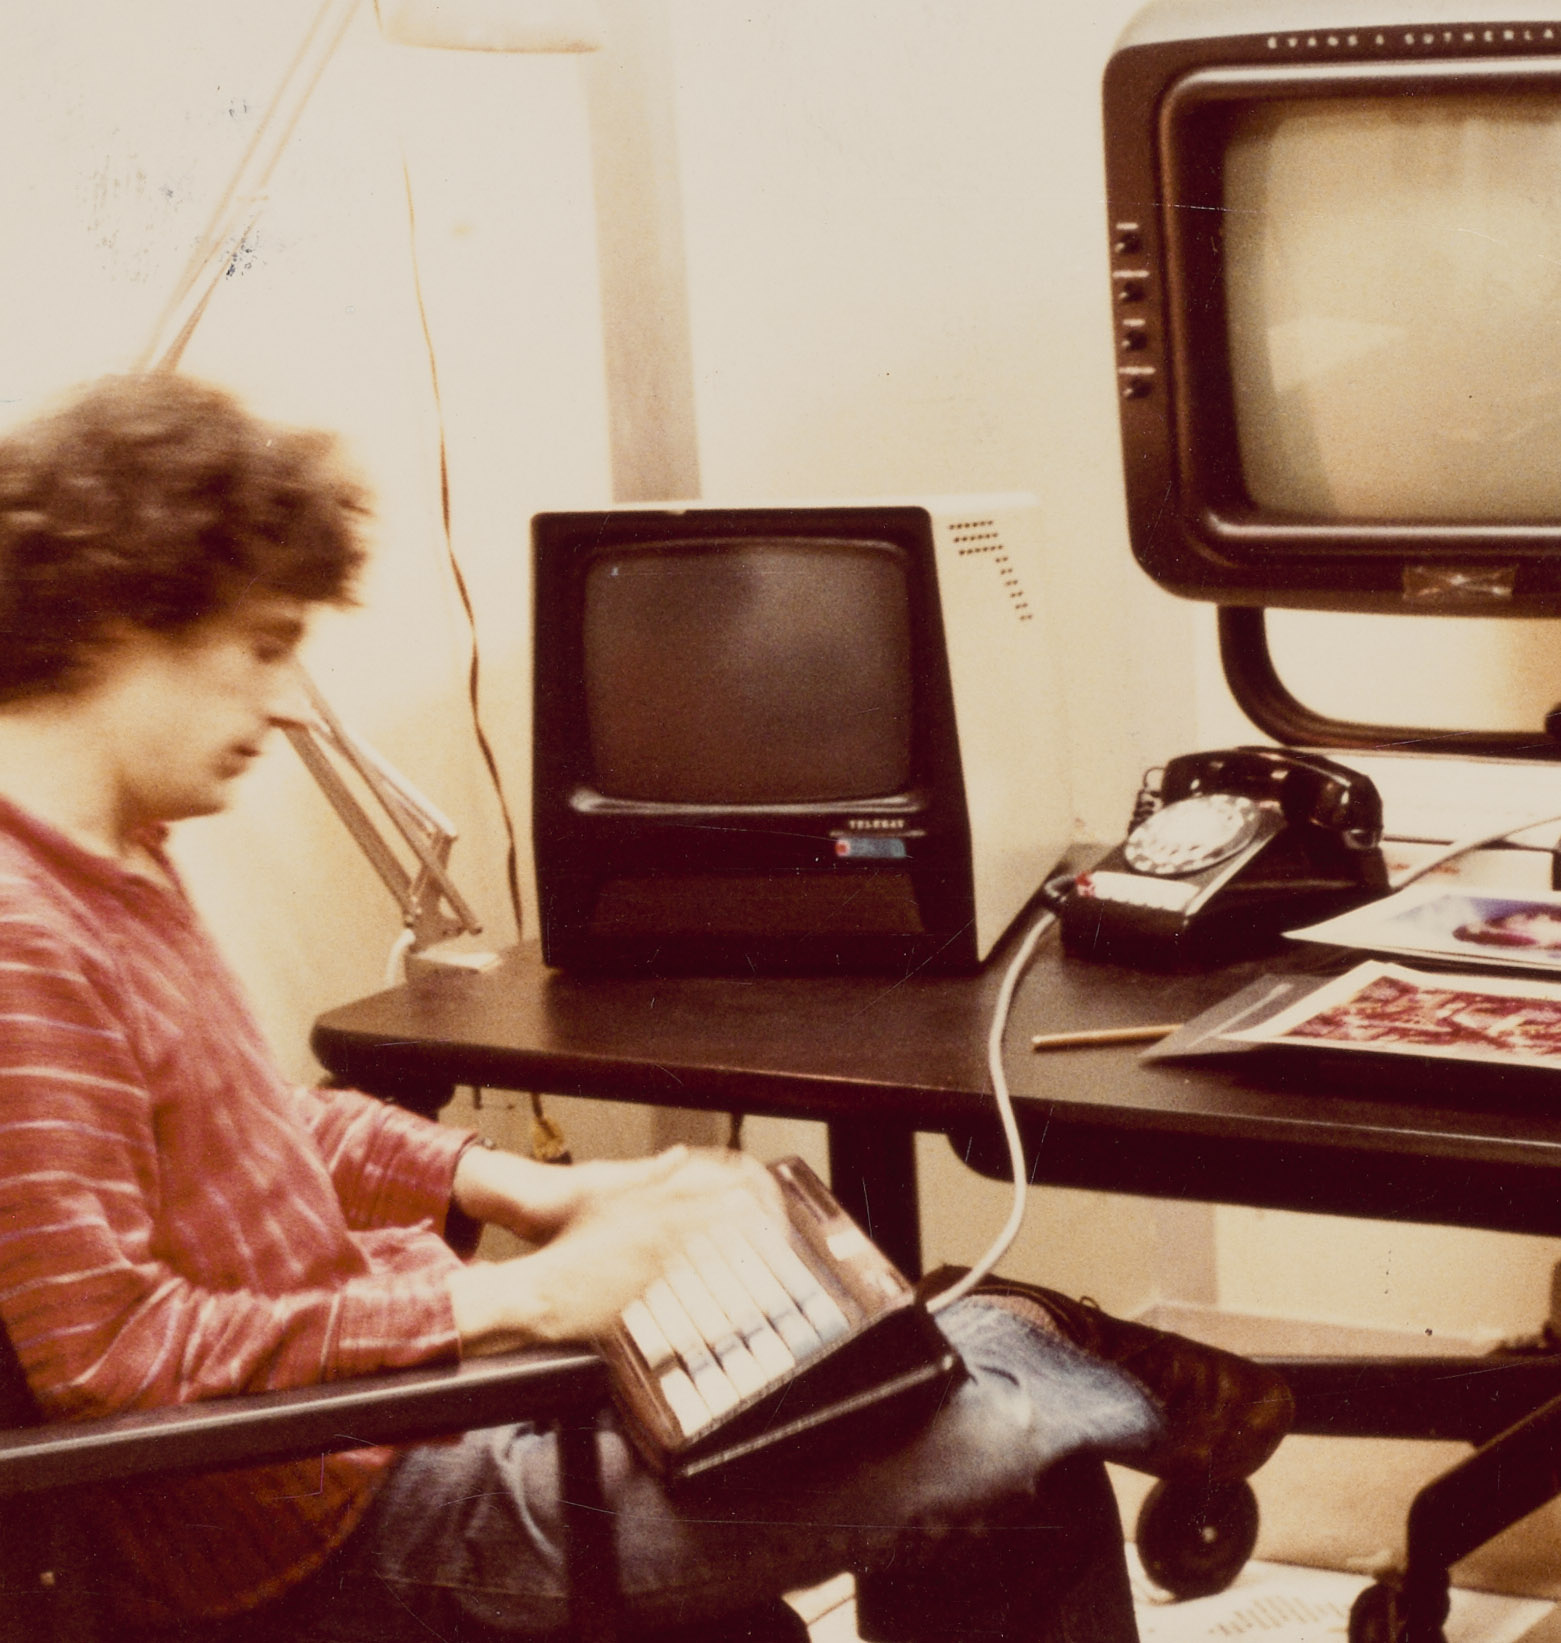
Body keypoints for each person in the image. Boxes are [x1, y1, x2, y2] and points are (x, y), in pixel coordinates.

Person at [0, 373, 1292, 1643]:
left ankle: (993, 1338)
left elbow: (249, 1124)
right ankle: (1033, 1340)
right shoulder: (19, 943)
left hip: (407, 1420)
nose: (287, 706)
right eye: (265, 648)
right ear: (122, 618)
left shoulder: (116, 849)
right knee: (991, 1420)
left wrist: (524, 1193)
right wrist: (514, 1302)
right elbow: (113, 1359)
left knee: (924, 1411)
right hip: (333, 1543)